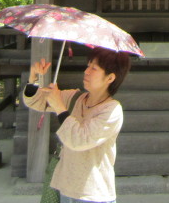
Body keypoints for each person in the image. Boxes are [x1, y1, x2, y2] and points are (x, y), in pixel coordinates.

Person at [23, 48, 131, 203]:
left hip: (93, 194)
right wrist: (34, 77)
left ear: (110, 77)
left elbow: (79, 141)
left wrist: (59, 107)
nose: (86, 71)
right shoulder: (75, 98)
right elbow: (36, 101)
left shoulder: (112, 110)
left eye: (94, 68)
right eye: (88, 66)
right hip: (65, 188)